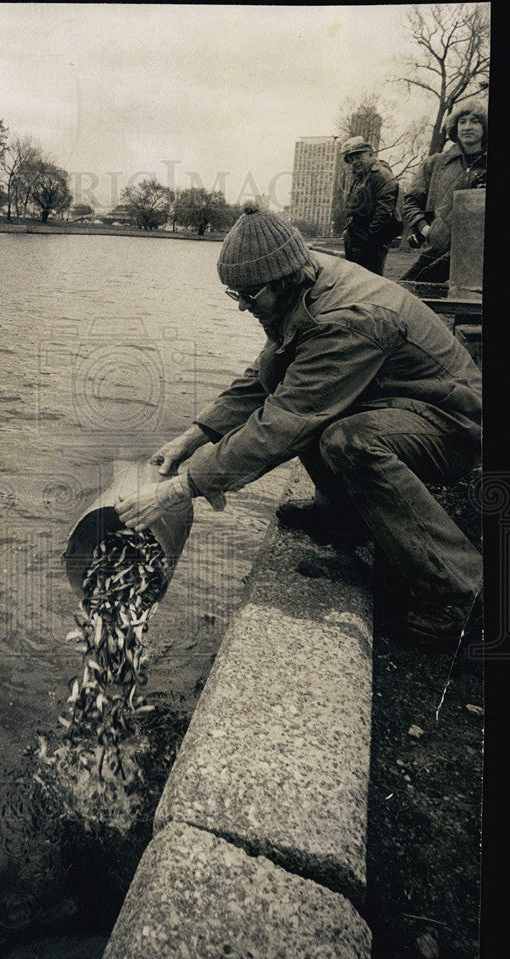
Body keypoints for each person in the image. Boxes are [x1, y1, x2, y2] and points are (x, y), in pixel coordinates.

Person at [115, 203, 482, 647]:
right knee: (298, 392)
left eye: (250, 296)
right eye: (236, 295)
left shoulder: (348, 319)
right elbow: (264, 377)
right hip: (396, 402)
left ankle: (456, 589)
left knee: (351, 442)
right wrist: (194, 436)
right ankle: (341, 515)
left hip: (451, 423)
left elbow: (285, 422)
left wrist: (183, 487)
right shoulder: (299, 283)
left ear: (284, 278)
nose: (243, 308)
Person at [402, 98, 487, 284]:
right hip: (436, 250)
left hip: (477, 255)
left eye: (475, 121)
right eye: (462, 122)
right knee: (407, 294)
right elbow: (410, 203)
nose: (467, 127)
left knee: (468, 307)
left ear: (485, 126)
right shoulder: (435, 163)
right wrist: (426, 229)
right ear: (455, 128)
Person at [340, 136, 402, 276]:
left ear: (371, 155)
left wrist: (371, 240)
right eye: (352, 159)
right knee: (354, 280)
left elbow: (383, 212)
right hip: (357, 237)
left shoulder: (381, 176)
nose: (355, 162)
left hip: (371, 240)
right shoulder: (362, 176)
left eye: (358, 156)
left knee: (370, 282)